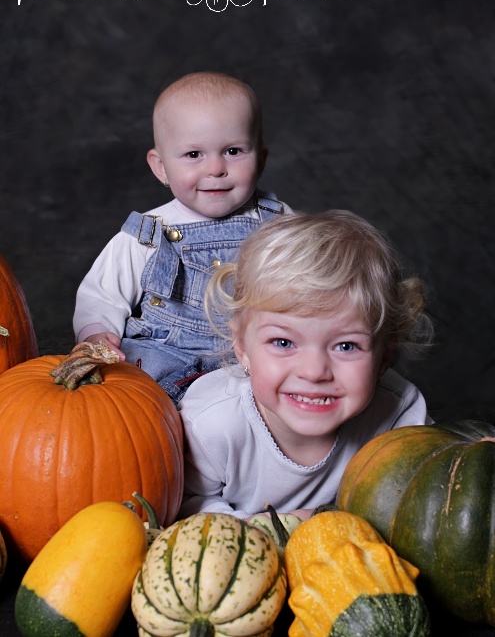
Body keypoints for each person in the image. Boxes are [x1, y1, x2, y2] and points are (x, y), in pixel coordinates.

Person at [178, 210, 434, 520]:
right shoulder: (211, 424)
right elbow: (185, 500)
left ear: (384, 358)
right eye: (283, 343)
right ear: (242, 348)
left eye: (346, 346)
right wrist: (255, 529)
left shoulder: (399, 415)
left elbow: (426, 498)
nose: (313, 372)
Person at [73, 72, 292, 404]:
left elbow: (316, 283)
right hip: (165, 353)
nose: (216, 168)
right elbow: (103, 295)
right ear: (161, 167)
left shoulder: (279, 224)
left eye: (233, 151)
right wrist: (96, 334)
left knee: (273, 391)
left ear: (260, 160)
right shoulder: (148, 233)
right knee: (132, 397)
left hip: (249, 358)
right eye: (194, 155)